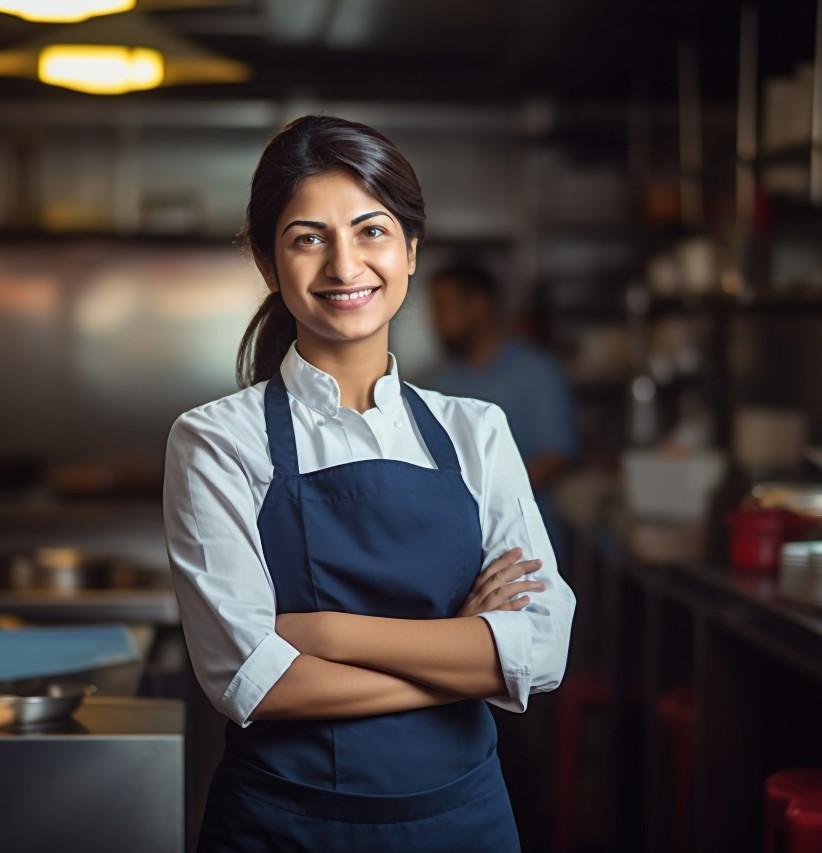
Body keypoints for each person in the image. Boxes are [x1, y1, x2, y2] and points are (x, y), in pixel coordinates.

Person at [163, 116, 576, 853]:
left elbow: (542, 652)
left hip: (464, 822)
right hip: (283, 827)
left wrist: (325, 634)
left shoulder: (476, 430)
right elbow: (253, 681)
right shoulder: (216, 440)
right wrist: (470, 662)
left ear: (411, 252)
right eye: (308, 237)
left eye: (371, 231)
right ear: (267, 261)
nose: (344, 264)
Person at [424, 265, 579, 550]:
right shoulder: (436, 383)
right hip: (459, 544)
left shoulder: (537, 371)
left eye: (443, 307)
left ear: (479, 305)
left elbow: (555, 457)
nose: (435, 320)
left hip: (528, 544)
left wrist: (481, 499)